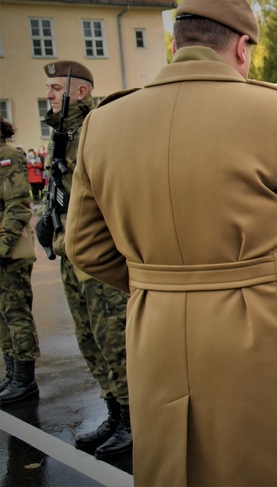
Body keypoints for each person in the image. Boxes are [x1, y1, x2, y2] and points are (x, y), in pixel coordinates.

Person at [65, 0, 277, 486]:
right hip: (255, 338)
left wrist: (162, 284)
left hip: (155, 336)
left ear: (176, 46)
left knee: (173, 469)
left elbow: (83, 247)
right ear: (241, 47)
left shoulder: (102, 123)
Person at [36, 60, 132, 459]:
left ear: (80, 92)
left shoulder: (98, 130)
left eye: (57, 88)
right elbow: (57, 185)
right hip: (68, 255)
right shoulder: (60, 136)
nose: (49, 94)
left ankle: (132, 418)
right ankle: (114, 411)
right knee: (89, 341)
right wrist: (48, 222)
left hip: (98, 257)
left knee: (115, 341)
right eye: (49, 89)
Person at [0, 118, 40, 405]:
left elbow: (18, 205)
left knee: (16, 314)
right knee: (2, 316)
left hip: (9, 251)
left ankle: (25, 380)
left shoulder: (8, 156)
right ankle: (12, 373)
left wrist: (1, 246)